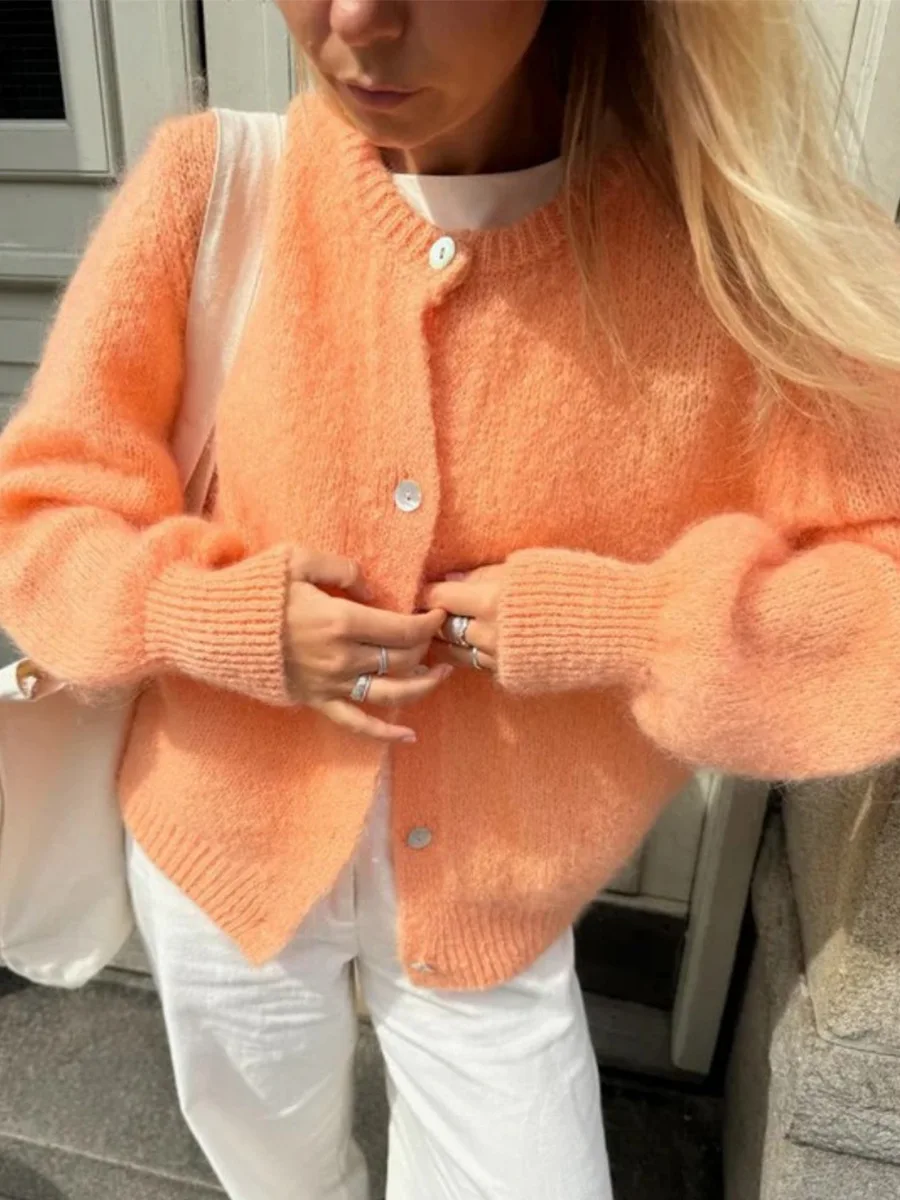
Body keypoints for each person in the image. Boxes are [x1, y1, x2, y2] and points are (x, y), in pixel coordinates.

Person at [2, 0, 900, 1196]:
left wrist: (633, 628)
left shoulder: (725, 257)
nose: (356, 19)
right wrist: (215, 617)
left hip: (496, 903)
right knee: (275, 1172)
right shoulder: (214, 188)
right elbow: (43, 513)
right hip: (220, 855)